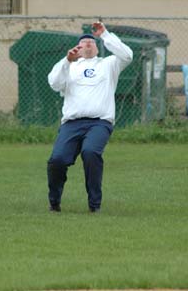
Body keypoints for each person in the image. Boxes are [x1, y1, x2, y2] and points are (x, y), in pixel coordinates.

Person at [46, 21, 133, 213]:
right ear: (77, 48)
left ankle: (95, 205)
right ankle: (54, 202)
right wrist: (67, 61)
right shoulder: (69, 66)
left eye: (91, 42)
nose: (87, 44)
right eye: (83, 42)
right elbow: (54, 83)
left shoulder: (108, 64)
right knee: (57, 160)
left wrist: (105, 34)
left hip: (99, 123)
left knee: (91, 152)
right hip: (72, 124)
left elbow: (127, 55)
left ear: (96, 46)